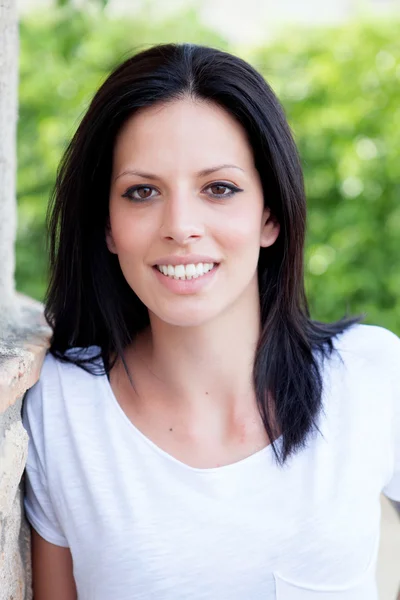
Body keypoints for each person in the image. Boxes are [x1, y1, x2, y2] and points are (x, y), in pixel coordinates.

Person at [22, 42, 400, 600]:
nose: (180, 225)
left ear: (270, 213)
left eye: (218, 189)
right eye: (142, 191)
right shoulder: (62, 407)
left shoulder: (371, 377)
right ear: (107, 225)